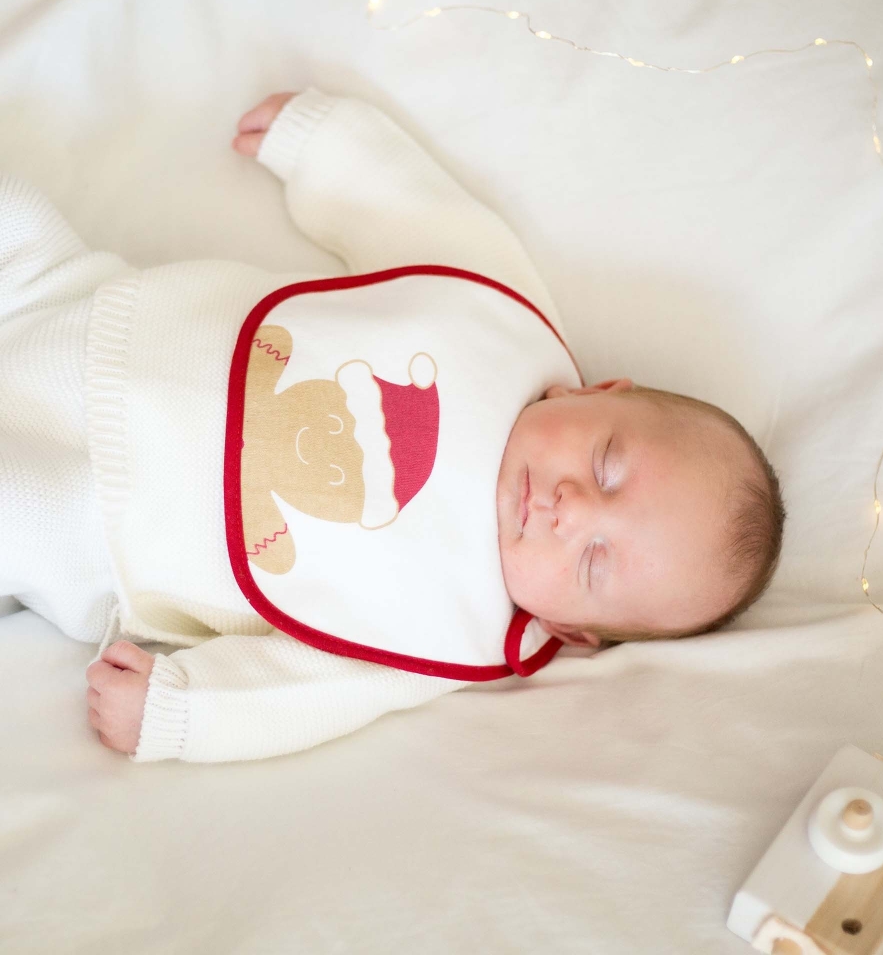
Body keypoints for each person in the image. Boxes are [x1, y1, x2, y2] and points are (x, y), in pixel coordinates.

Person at [0, 89, 785, 764]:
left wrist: (182, 714)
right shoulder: (505, 324)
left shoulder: (448, 630)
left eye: (595, 562)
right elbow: (417, 213)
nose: (572, 507)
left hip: (95, 529)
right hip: (84, 307)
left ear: (572, 632)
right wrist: (326, 146)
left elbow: (309, 693)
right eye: (608, 465)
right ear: (607, 391)